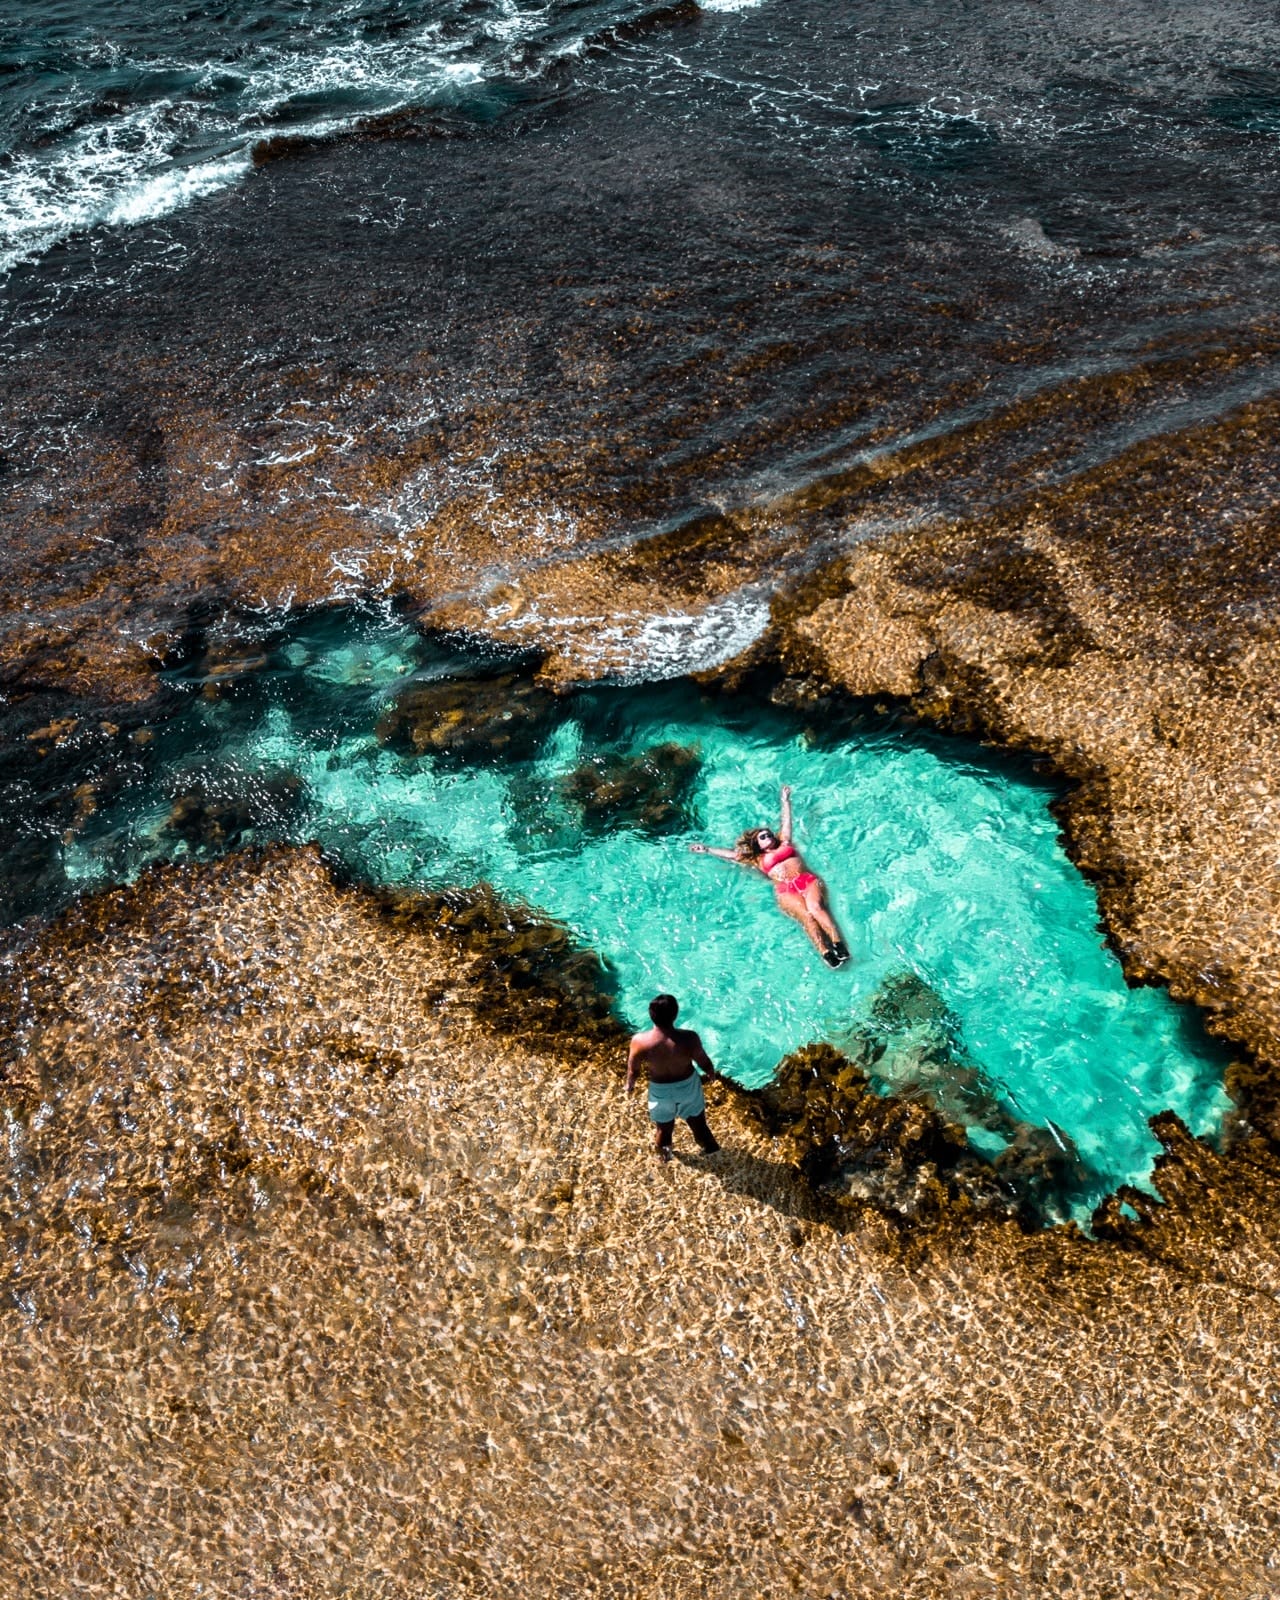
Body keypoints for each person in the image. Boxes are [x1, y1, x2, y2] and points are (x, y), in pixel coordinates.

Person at [689, 783, 850, 967]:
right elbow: (732, 855)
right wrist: (707, 849)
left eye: (769, 834)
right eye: (763, 837)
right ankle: (826, 952)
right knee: (807, 916)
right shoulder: (756, 859)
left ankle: (838, 943)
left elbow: (786, 822)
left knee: (815, 907)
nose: (768, 836)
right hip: (785, 890)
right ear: (757, 845)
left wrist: (785, 801)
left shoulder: (785, 843)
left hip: (805, 879)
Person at [625, 994, 721, 1163]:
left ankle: (665, 1159)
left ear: (650, 1014)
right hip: (688, 1088)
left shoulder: (639, 1042)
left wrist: (629, 1087)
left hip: (660, 1091)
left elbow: (633, 1071)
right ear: (676, 1014)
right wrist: (711, 1075)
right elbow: (703, 1061)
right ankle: (713, 1152)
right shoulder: (689, 1038)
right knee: (698, 1125)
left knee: (663, 1130)